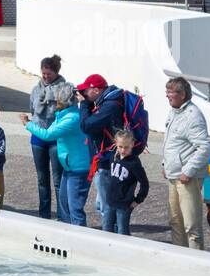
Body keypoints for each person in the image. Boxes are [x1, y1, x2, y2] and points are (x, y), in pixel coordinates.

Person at [22, 83, 90, 226]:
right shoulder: (62, 115)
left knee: (75, 209)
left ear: (63, 101)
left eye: (56, 100)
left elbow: (47, 135)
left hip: (78, 169)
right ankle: (66, 233)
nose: (54, 103)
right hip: (69, 167)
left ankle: (80, 240)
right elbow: (50, 130)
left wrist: (27, 124)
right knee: (64, 205)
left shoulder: (72, 118)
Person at [75, 73, 139, 220]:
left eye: (86, 90)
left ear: (96, 90)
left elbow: (86, 126)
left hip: (107, 163)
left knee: (107, 208)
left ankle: (112, 238)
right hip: (105, 161)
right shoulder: (107, 101)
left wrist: (84, 104)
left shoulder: (110, 105)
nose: (84, 93)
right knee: (101, 205)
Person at [161, 76, 210, 250]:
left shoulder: (193, 116)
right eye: (166, 91)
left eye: (171, 92)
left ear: (182, 95)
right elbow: (171, 142)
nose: (167, 95)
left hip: (187, 178)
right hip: (173, 175)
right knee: (175, 221)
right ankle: (180, 258)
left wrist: (188, 171)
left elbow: (205, 147)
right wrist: (164, 164)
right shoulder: (173, 112)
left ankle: (196, 262)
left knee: (191, 225)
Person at [27, 56, 67, 220]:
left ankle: (62, 215)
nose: (45, 77)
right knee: (42, 179)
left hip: (55, 138)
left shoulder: (64, 89)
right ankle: (44, 215)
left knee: (58, 180)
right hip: (38, 137)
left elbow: (66, 113)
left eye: (48, 74)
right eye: (43, 73)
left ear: (56, 72)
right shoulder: (36, 89)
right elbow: (32, 109)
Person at [99, 130, 150, 236]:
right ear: (116, 144)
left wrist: (138, 200)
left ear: (132, 144)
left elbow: (144, 183)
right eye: (120, 146)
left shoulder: (134, 163)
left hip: (124, 204)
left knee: (122, 231)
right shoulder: (113, 156)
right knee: (106, 228)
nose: (123, 150)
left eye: (126, 147)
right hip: (110, 201)